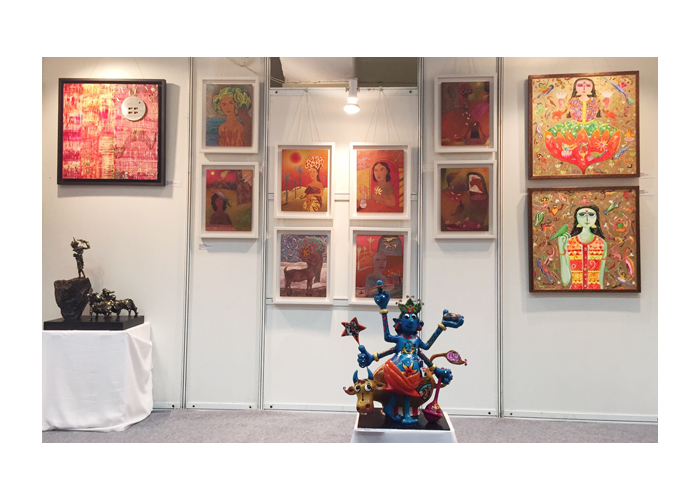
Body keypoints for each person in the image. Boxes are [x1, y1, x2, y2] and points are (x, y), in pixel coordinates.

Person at [558, 205, 607, 289]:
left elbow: (600, 278)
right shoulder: (569, 243)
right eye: (582, 215)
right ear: (576, 218)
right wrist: (561, 250)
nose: (587, 218)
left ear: (596, 218)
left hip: (596, 291)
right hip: (575, 292)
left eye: (591, 215)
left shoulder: (601, 243)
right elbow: (565, 281)